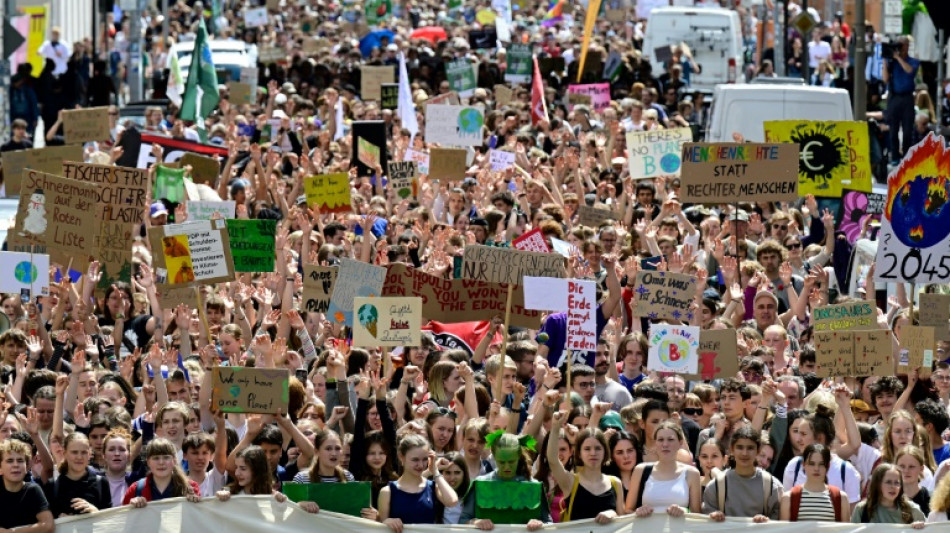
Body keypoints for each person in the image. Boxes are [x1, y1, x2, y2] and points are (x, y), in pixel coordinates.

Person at [460, 431, 551, 530]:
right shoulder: (479, 484)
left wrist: (540, 523)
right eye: (501, 462)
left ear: (519, 456)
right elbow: (463, 520)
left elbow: (549, 523)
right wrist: (475, 522)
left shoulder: (534, 487)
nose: (507, 467)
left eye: (511, 461)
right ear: (494, 456)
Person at [547, 409, 624, 523]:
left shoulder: (615, 483)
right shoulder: (570, 481)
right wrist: (555, 427)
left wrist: (613, 514)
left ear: (605, 452)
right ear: (579, 453)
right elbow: (553, 460)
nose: (593, 453)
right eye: (587, 449)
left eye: (598, 448)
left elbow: (622, 522)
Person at [378, 435, 459, 532]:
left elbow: (452, 501)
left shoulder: (432, 487)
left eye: (425, 459)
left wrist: (435, 471)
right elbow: (381, 527)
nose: (420, 465)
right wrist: (387, 522)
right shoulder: (388, 492)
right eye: (415, 460)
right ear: (401, 457)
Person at [702, 426, 783, 522]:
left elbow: (777, 524)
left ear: (757, 451)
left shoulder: (772, 486)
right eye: (740, 447)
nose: (744, 453)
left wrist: (766, 521)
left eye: (750, 448)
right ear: (732, 449)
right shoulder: (715, 486)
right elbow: (706, 523)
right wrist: (714, 517)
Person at [626, 421, 702, 516]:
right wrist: (638, 512)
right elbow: (628, 510)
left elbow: (697, 514)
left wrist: (685, 511)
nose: (665, 444)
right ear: (655, 443)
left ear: (680, 443)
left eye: (670, 440)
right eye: (660, 440)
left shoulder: (692, 473)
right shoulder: (640, 470)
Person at [44, 432, 111, 517]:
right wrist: (59, 519)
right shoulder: (52, 486)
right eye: (74, 452)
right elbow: (46, 522)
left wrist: (95, 511)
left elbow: (109, 521)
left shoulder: (101, 483)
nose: (79, 457)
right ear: (65, 453)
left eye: (84, 452)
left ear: (89, 454)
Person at [779, 443, 850, 522]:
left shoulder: (841, 498)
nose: (816, 468)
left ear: (828, 466)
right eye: (812, 464)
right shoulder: (788, 498)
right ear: (803, 465)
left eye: (821, 464)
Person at [123, 439, 201, 507]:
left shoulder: (191, 488)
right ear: (148, 462)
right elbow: (122, 520)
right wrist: (131, 507)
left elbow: (198, 519)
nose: (161, 462)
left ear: (174, 460)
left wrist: (194, 503)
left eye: (166, 457)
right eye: (156, 458)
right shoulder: (135, 489)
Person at [0, 438, 54, 532]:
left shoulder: (33, 490)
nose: (15, 465)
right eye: (10, 461)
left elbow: (48, 525)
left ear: (27, 467)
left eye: (20, 460)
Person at [883, 35, 921, 164]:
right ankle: (894, 156)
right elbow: (885, 79)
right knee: (893, 129)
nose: (899, 47)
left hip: (907, 98)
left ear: (907, 46)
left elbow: (909, 71)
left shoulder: (913, 61)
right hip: (894, 97)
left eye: (902, 45)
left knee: (907, 131)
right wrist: (885, 60)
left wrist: (898, 57)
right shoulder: (892, 63)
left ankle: (906, 156)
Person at [852, 463, 926, 527]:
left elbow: (928, 529)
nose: (893, 487)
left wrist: (920, 527)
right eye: (888, 482)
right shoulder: (862, 510)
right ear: (877, 484)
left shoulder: (912, 510)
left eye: (897, 483)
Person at [215, 446, 293, 504]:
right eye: (236, 468)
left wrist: (280, 503)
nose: (237, 473)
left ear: (257, 470)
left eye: (243, 468)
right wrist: (219, 498)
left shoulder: (273, 496)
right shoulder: (230, 493)